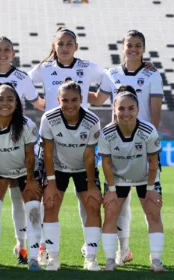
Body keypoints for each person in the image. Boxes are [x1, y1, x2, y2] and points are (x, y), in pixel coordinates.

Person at [28, 27, 110, 263]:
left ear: (76, 46)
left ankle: (90, 249)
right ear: (54, 46)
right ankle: (45, 247)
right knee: (49, 200)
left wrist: (96, 99)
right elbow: (22, 82)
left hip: (82, 134)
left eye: (69, 43)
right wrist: (39, 102)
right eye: (60, 43)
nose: (65, 47)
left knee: (89, 202)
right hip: (55, 133)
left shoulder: (88, 67)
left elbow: (109, 80)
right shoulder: (44, 68)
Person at [90, 29, 163, 266]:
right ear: (122, 47)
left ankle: (154, 259)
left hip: (141, 145)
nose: (133, 49)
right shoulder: (110, 74)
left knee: (149, 204)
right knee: (117, 204)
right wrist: (74, 87)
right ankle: (122, 251)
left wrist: (148, 143)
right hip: (116, 144)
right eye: (129, 44)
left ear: (143, 48)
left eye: (138, 45)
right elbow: (98, 100)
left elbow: (155, 116)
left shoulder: (153, 75)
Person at [0, 36, 45, 265]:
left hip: (16, 144)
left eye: (7, 49)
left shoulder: (22, 79)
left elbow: (38, 103)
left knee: (22, 201)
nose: (3, 53)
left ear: (13, 53)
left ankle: (24, 248)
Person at [39, 80, 102, 271]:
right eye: (65, 100)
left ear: (82, 99)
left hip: (83, 167)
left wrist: (91, 185)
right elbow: (48, 153)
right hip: (57, 168)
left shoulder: (92, 121)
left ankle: (91, 258)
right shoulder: (48, 118)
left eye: (74, 100)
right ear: (58, 100)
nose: (70, 105)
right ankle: (53, 257)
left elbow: (90, 156)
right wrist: (50, 183)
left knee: (92, 205)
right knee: (50, 205)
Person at [98, 91, 164, 272]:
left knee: (153, 213)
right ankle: (110, 260)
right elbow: (106, 163)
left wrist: (151, 189)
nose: (126, 113)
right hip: (118, 179)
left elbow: (153, 162)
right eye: (121, 108)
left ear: (138, 109)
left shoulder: (148, 130)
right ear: (114, 110)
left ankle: (156, 260)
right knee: (110, 214)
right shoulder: (107, 133)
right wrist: (111, 190)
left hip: (146, 177)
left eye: (130, 108)